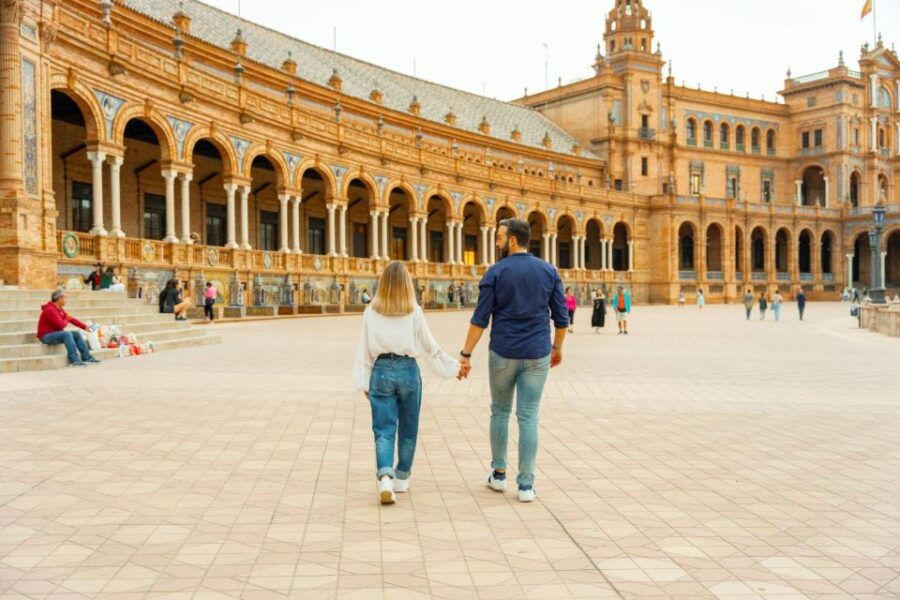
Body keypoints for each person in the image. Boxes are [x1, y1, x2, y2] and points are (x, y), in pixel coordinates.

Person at [458, 218, 567, 503]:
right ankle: (527, 485)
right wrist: (557, 348)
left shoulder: (496, 272)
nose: (496, 242)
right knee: (529, 415)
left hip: (503, 352)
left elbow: (480, 319)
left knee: (500, 412)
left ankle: (499, 474)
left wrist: (466, 354)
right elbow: (561, 318)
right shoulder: (548, 271)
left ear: (513, 240)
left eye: (499, 237)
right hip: (537, 353)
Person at [353, 261, 459, 504]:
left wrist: (364, 381)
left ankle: (385, 478)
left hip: (381, 370)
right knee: (409, 429)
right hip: (409, 371)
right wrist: (454, 367)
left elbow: (364, 349)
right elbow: (431, 348)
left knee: (383, 430)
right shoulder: (414, 310)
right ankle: (402, 478)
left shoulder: (371, 311)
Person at [37, 290, 100, 367]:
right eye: (65, 298)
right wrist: (66, 319)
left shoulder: (59, 309)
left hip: (55, 333)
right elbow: (61, 325)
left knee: (76, 334)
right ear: (60, 298)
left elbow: (71, 319)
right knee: (67, 334)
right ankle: (74, 360)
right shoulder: (50, 310)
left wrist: (85, 327)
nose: (66, 300)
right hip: (46, 336)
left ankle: (87, 357)